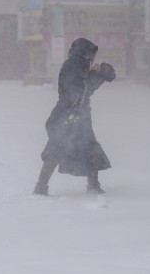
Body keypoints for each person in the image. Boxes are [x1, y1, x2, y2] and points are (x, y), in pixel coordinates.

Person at [34, 38, 116, 196]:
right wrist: (92, 73)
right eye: (91, 54)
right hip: (66, 115)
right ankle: (40, 187)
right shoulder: (71, 66)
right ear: (82, 52)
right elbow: (76, 89)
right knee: (55, 149)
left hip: (81, 116)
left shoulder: (82, 68)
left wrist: (104, 74)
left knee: (91, 149)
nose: (92, 58)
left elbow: (87, 89)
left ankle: (93, 185)